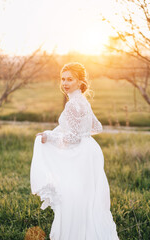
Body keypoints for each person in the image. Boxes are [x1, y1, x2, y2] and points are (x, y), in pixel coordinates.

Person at [30, 62, 119, 240]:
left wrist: (50, 137)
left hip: (81, 154)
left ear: (80, 82)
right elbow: (97, 127)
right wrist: (80, 133)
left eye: (70, 79)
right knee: (86, 197)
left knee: (74, 196)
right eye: (62, 79)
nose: (65, 83)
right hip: (90, 150)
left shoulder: (72, 104)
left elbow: (73, 138)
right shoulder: (82, 101)